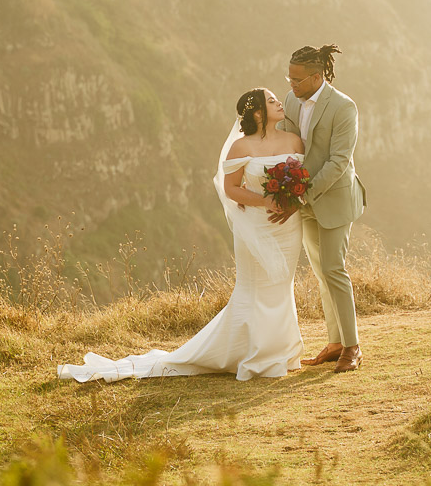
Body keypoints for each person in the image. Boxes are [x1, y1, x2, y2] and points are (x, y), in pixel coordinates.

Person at [57, 88, 306, 382]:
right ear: (257, 113)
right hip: (255, 225)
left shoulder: (294, 141)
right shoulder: (241, 147)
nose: (279, 102)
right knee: (255, 288)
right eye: (271, 100)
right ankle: (253, 354)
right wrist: (266, 201)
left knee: (281, 284)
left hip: (287, 225)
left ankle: (282, 351)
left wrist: (291, 202)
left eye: (277, 98)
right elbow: (231, 189)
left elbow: (302, 178)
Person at [274, 44, 367, 373]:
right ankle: (335, 342)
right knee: (320, 271)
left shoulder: (344, 108)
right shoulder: (289, 101)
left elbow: (339, 162)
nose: (291, 85)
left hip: (334, 199)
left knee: (334, 269)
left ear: (317, 77)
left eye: (297, 80)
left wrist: (302, 195)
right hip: (304, 199)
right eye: (289, 78)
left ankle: (353, 348)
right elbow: (288, 140)